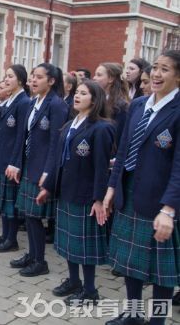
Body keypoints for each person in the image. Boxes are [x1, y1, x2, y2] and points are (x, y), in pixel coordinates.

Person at [103, 50, 180, 325]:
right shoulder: (138, 105)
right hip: (129, 191)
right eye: (155, 68)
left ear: (178, 76)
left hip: (161, 201)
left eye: (166, 69)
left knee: (162, 273)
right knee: (129, 262)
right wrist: (112, 188)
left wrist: (169, 209)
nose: (157, 74)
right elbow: (123, 150)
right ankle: (133, 314)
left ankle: (157, 321)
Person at [38, 80, 115, 305]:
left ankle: (90, 291)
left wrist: (98, 199)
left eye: (83, 93)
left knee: (84, 246)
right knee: (69, 244)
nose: (77, 96)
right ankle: (74, 281)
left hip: (85, 195)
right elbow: (59, 162)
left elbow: (102, 168)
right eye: (76, 93)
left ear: (95, 99)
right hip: (66, 192)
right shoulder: (70, 124)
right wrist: (48, 187)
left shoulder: (102, 128)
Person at [10, 63, 69, 277]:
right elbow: (24, 136)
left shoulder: (57, 105)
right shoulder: (34, 102)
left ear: (51, 81)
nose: (33, 80)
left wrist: (48, 172)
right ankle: (32, 254)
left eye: (39, 77)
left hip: (41, 169)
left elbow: (56, 143)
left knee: (35, 217)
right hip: (28, 166)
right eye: (32, 76)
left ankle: (40, 261)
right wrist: (17, 163)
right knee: (28, 214)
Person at [0, 65, 31, 252]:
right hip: (2, 158)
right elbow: (2, 134)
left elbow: (21, 136)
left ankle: (11, 240)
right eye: (5, 76)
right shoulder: (11, 99)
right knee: (4, 201)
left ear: (20, 80)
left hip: (12, 161)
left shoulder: (24, 102)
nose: (6, 80)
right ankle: (5, 235)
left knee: (10, 203)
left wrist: (15, 163)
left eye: (10, 77)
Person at [94, 62, 130, 147]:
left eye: (99, 75)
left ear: (110, 79)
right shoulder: (96, 100)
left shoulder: (120, 106)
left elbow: (119, 136)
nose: (94, 78)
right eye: (95, 74)